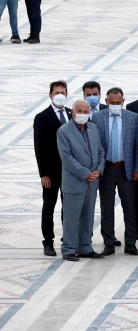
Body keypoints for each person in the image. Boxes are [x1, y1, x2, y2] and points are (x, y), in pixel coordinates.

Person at [57, 99, 105, 261]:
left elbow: (100, 151)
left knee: (88, 216)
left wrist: (99, 169)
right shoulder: (64, 131)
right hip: (75, 181)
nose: (83, 114)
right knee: (71, 217)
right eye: (80, 111)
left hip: (92, 182)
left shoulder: (93, 128)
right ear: (72, 112)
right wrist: (85, 173)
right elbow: (67, 157)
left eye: (86, 111)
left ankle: (85, 246)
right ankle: (69, 248)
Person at [94, 87, 138, 255]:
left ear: (123, 101)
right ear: (106, 102)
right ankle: (109, 242)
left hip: (125, 169)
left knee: (130, 207)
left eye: (118, 102)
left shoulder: (132, 117)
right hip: (106, 168)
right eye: (111, 103)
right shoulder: (97, 117)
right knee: (107, 207)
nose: (115, 105)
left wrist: (137, 168)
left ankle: (130, 243)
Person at [35, 83, 73, 256]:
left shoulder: (72, 114)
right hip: (51, 172)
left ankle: (68, 238)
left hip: (69, 171)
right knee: (49, 205)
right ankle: (48, 241)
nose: (60, 95)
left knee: (69, 206)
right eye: (56, 93)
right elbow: (39, 148)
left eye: (62, 92)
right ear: (50, 95)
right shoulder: (42, 117)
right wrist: (43, 174)